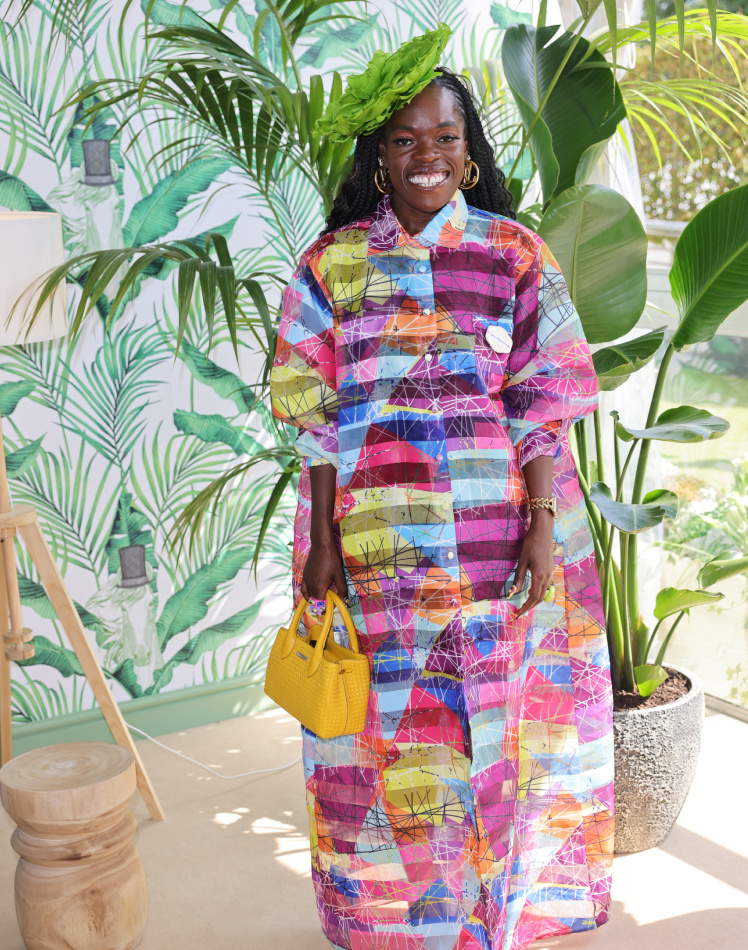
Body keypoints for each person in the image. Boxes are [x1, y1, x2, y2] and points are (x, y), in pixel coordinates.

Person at [271, 23, 614, 949]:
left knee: (505, 732)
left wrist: (543, 521)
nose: (427, 155)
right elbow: (311, 418)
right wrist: (324, 545)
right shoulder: (330, 269)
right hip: (378, 548)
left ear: (470, 156)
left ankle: (504, 911)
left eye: (445, 138)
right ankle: (398, 920)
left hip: (501, 537)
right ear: (379, 159)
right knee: (392, 731)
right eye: (406, 140)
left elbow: (542, 399)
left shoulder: (514, 256)